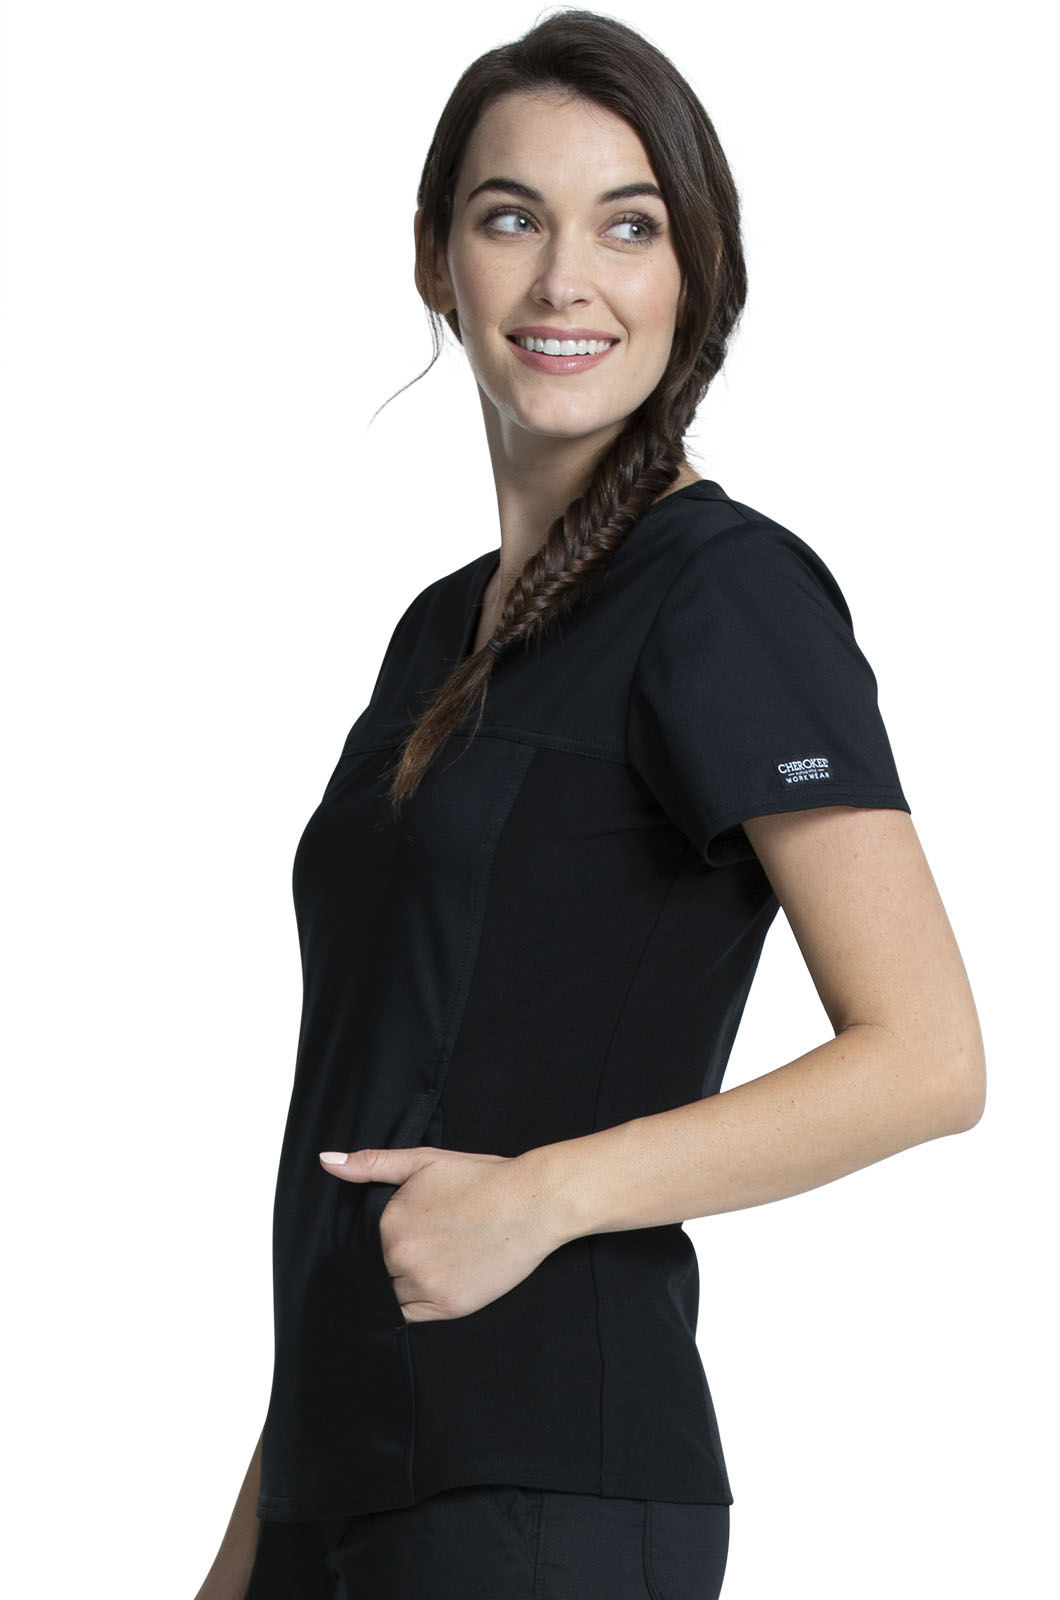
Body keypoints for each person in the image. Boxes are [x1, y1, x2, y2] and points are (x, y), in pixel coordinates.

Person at [195, 10, 986, 1599]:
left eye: (630, 227)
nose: (568, 281)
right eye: (513, 219)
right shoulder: (439, 631)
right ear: (436, 260)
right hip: (343, 1484)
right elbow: (370, 1106)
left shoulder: (723, 594)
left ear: (697, 272)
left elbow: (929, 1059)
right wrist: (251, 1547)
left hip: (540, 1487)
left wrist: (544, 1199)